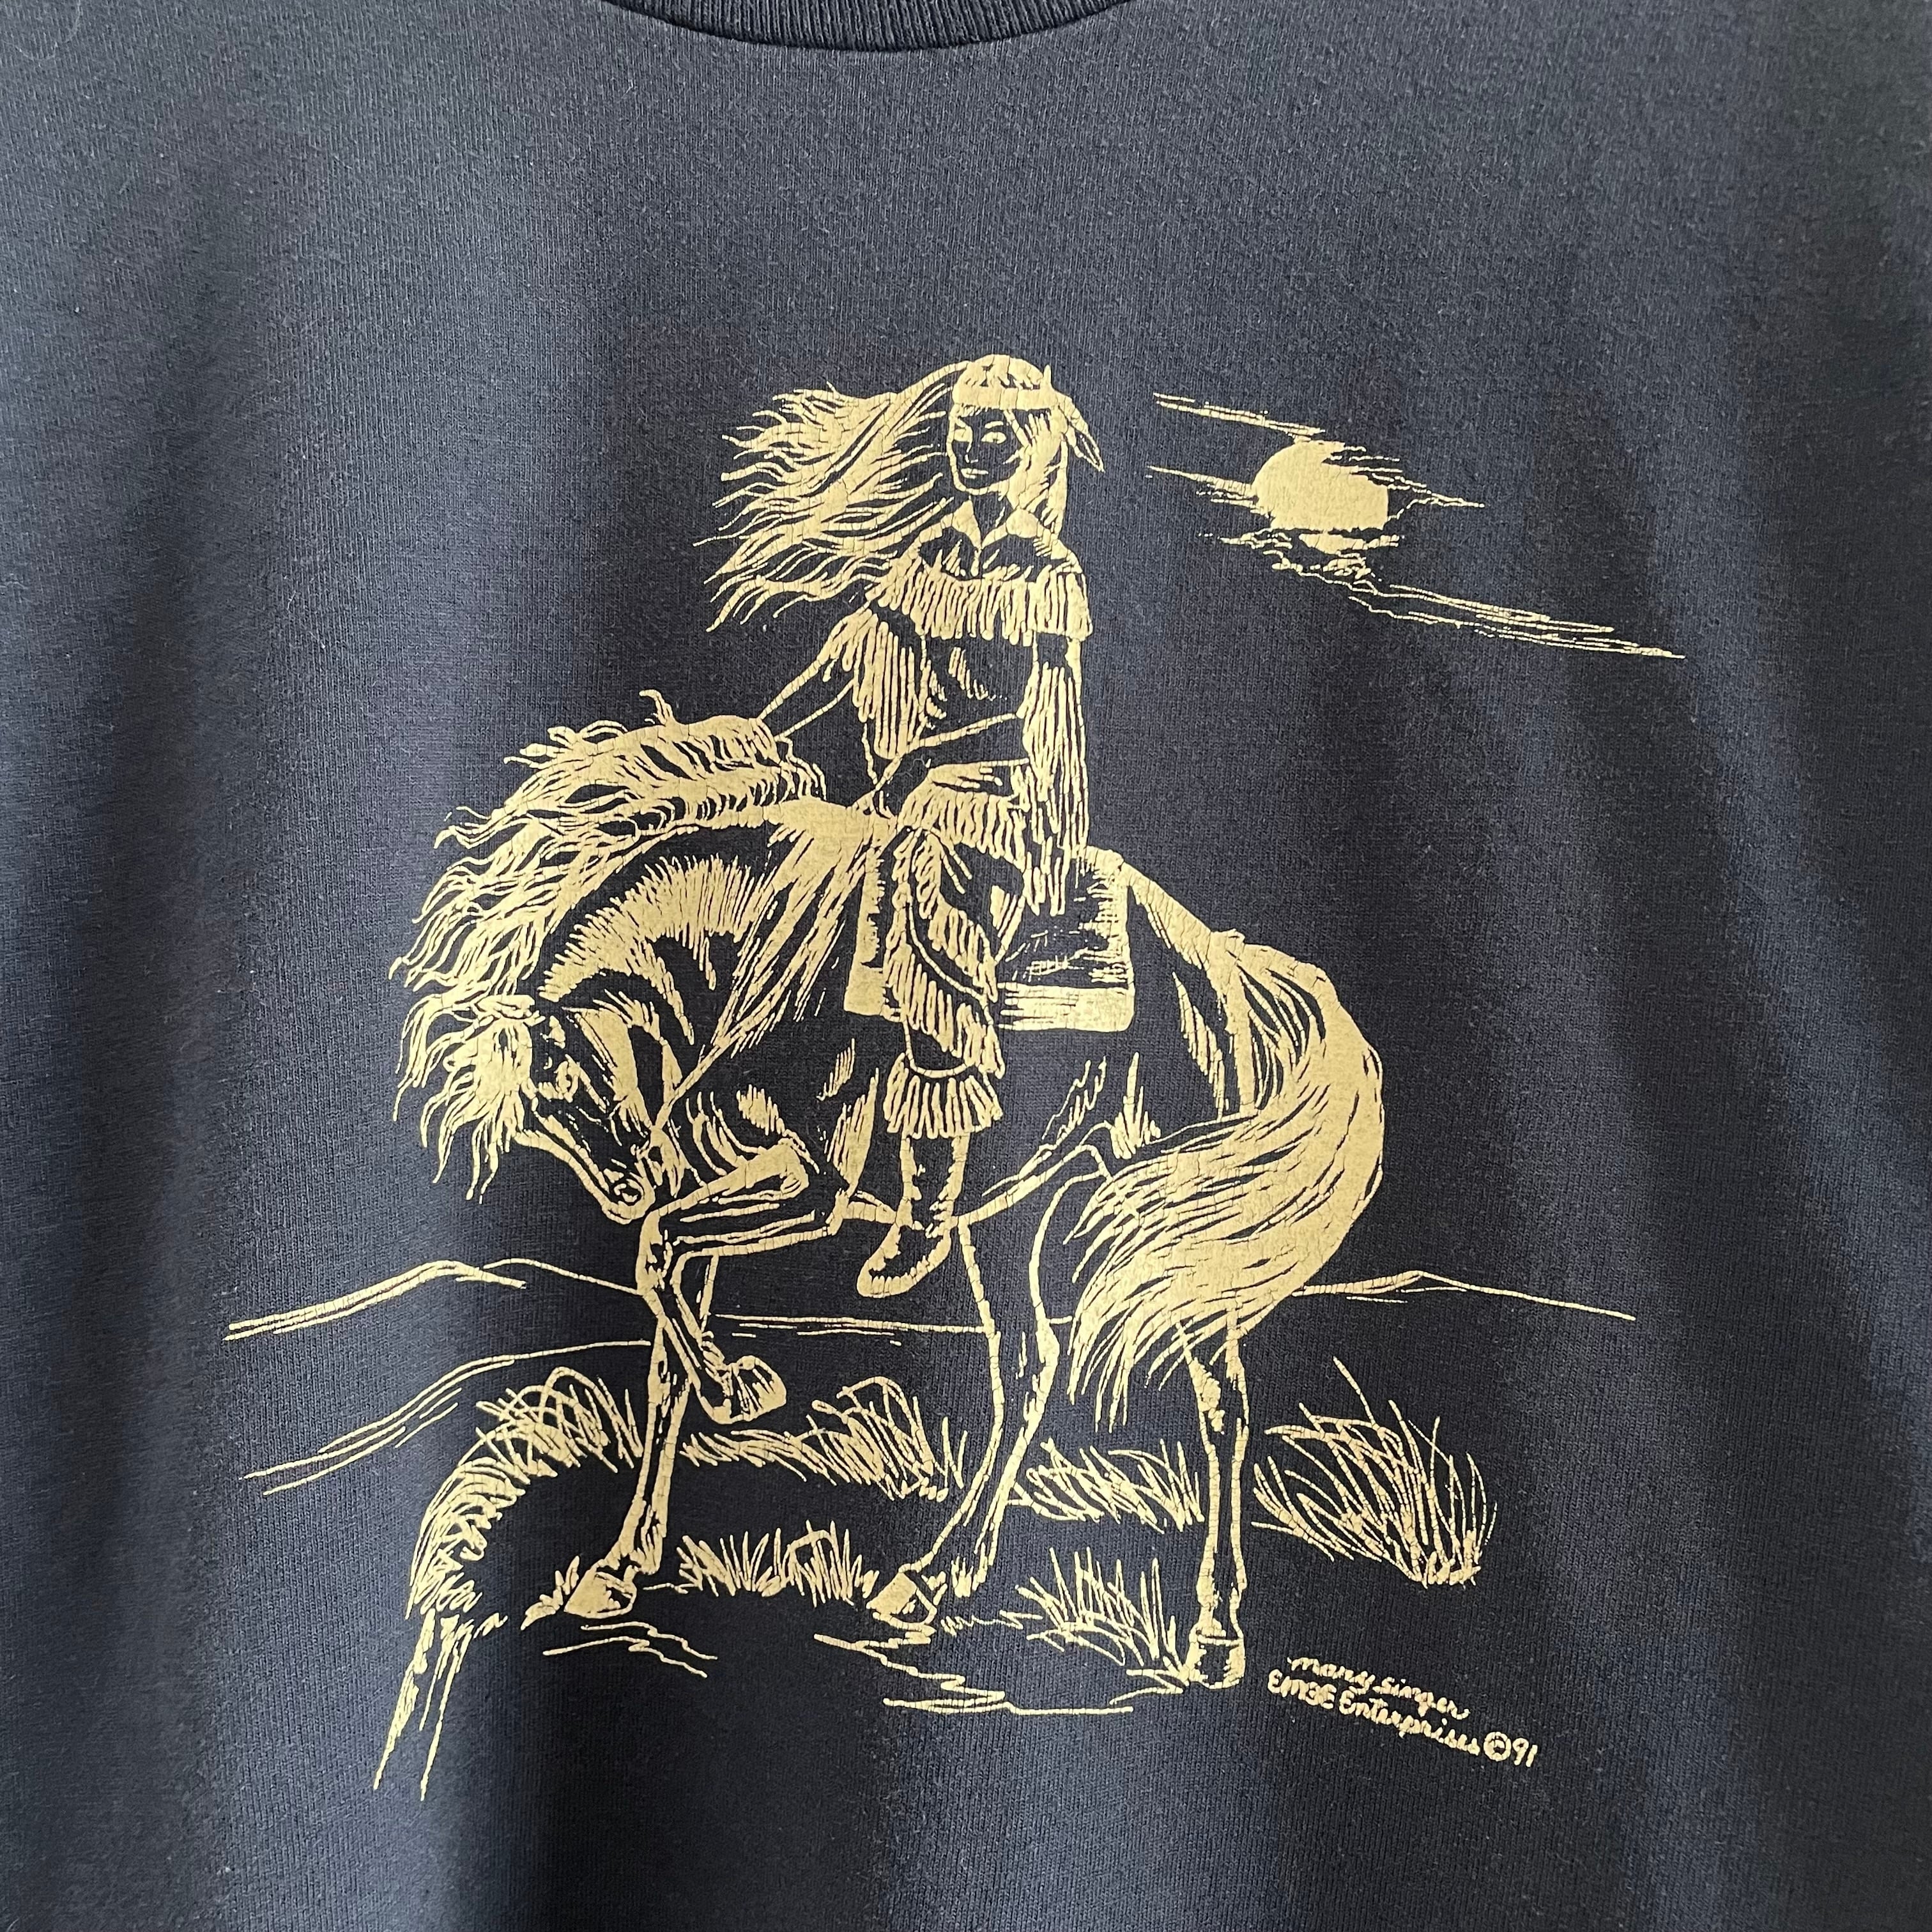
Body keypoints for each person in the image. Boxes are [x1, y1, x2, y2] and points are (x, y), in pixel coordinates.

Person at [710, 354, 1104, 1295]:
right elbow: (848, 660)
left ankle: (928, 1209)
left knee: (929, 898)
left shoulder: (1047, 572)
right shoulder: (926, 554)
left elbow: (1046, 720)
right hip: (911, 793)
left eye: (994, 431)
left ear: (1030, 445)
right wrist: (752, 745)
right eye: (964, 428)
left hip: (993, 805)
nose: (973, 444)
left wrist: (965, 784)